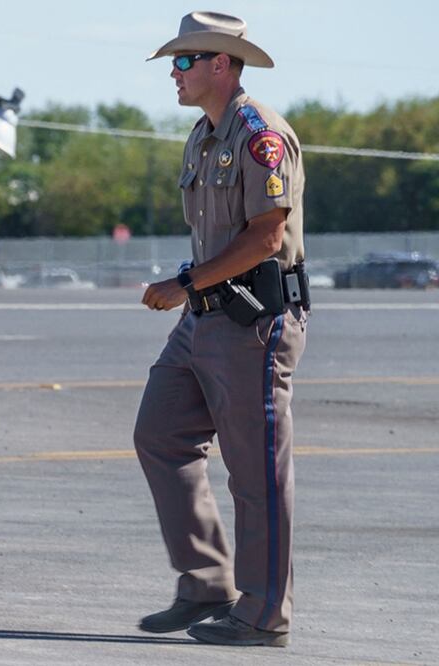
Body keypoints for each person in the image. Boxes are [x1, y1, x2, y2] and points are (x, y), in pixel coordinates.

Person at [134, 12, 308, 647]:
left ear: (220, 64)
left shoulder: (261, 135)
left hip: (253, 322)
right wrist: (191, 293)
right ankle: (206, 581)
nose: (173, 75)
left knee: (256, 471)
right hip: (203, 318)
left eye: (183, 62)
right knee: (160, 434)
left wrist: (185, 284)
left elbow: (265, 237)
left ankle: (264, 613)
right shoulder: (202, 137)